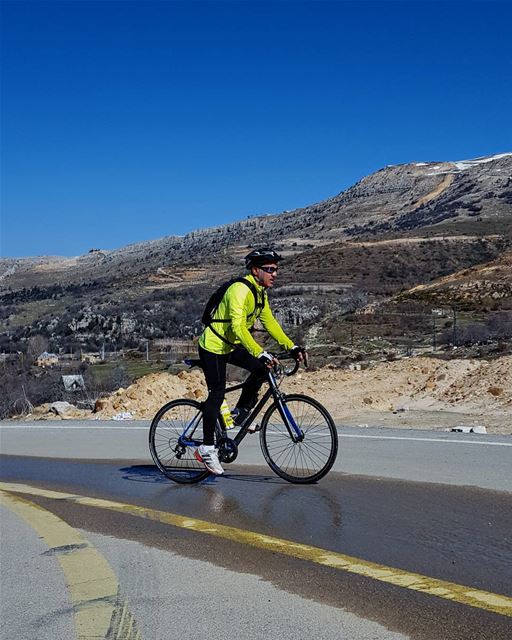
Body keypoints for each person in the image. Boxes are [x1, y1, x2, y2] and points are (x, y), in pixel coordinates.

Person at [196, 248, 306, 475]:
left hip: (229, 345)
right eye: (269, 270)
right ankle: (206, 448)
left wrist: (291, 346)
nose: (274, 274)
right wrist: (259, 351)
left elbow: (271, 323)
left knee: (262, 369)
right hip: (213, 346)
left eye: (276, 270)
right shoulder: (240, 290)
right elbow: (237, 326)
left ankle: (240, 413)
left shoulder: (259, 294)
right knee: (217, 393)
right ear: (255, 270)